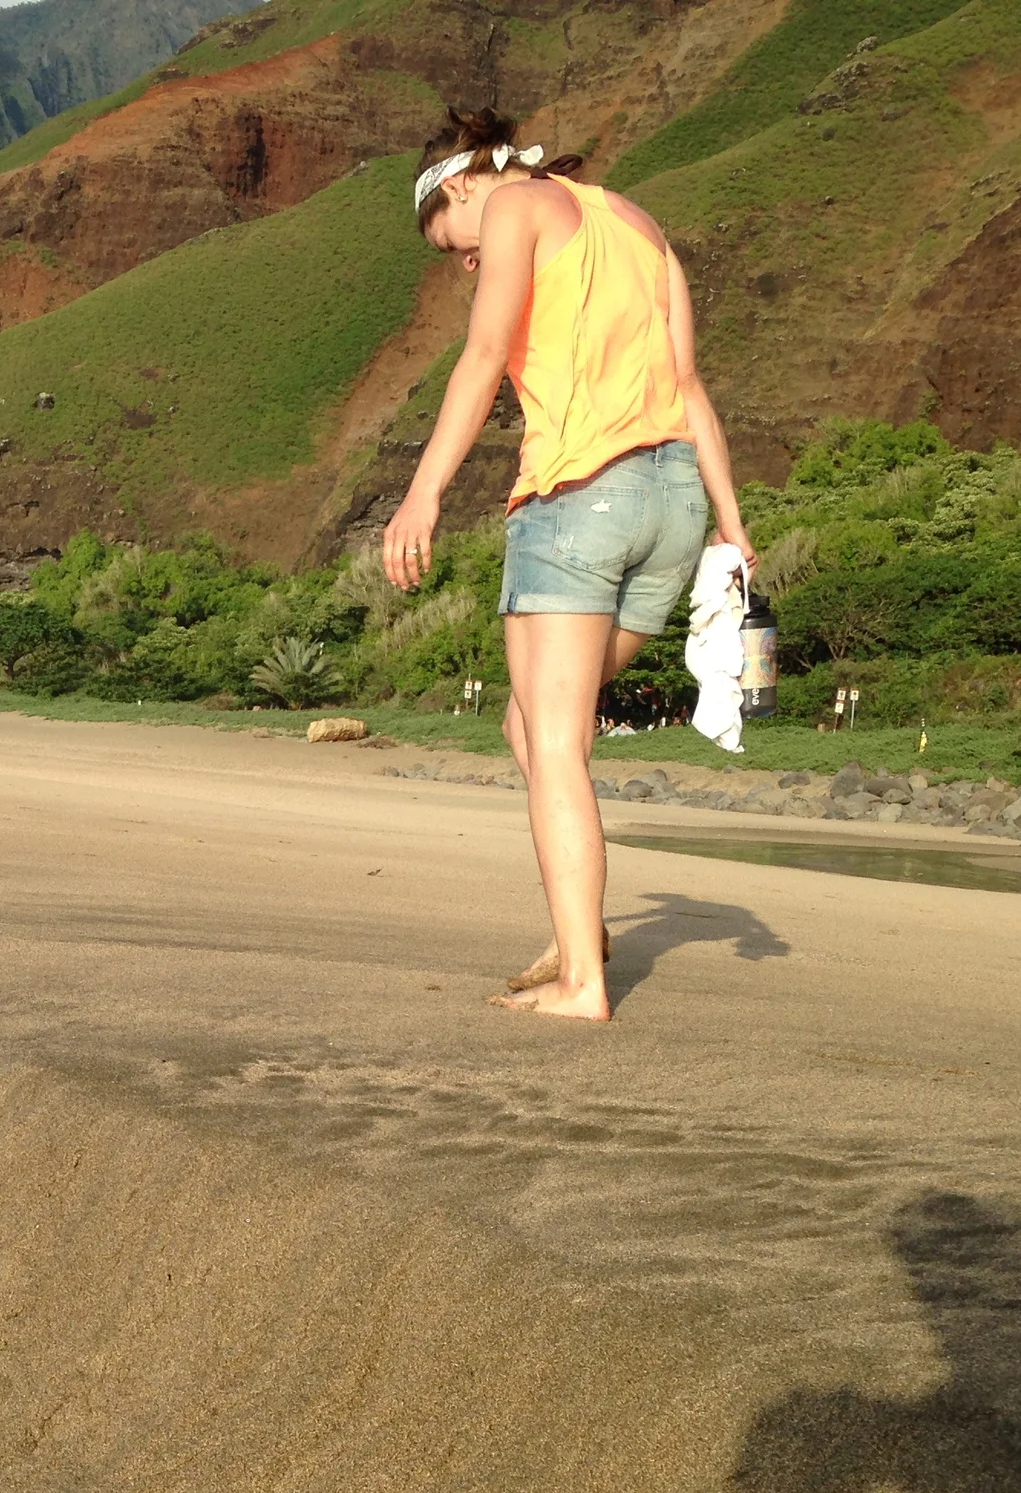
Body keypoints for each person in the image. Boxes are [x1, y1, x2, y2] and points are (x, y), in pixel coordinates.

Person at [383, 108, 752, 1021]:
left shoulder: (517, 208)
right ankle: (578, 926)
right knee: (533, 721)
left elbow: (482, 356)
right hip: (673, 505)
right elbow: (690, 386)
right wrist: (732, 526)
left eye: (453, 241)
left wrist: (422, 494)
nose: (466, 260)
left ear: (461, 185)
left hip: (580, 498)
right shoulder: (635, 221)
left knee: (552, 743)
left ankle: (584, 982)